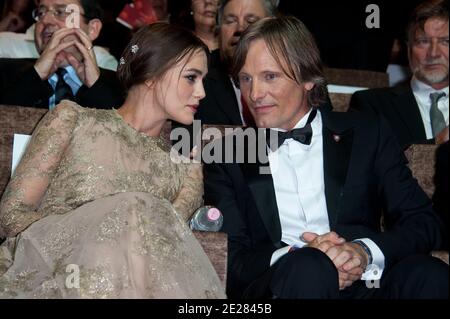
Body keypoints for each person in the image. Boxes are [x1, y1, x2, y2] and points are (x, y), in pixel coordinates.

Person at [203, 16, 448, 299]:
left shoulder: (368, 133)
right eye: (246, 79)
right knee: (310, 266)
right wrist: (297, 254)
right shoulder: (228, 153)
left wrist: (363, 251)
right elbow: (231, 261)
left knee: (429, 274)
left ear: (307, 78)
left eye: (270, 76)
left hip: (365, 283)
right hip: (282, 285)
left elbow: (423, 223)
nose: (255, 94)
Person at [0, 22, 225, 299]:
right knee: (131, 208)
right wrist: (96, 231)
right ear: (152, 75)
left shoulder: (182, 167)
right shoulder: (72, 121)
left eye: (203, 80)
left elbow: (169, 254)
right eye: (191, 77)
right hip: (49, 275)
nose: (201, 92)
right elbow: (11, 216)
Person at [350, 0, 448, 149]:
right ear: (408, 48)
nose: (433, 53)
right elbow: (368, 165)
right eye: (423, 41)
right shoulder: (372, 104)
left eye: (446, 41)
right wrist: (436, 143)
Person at [0, 0, 123, 109]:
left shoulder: (120, 86)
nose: (46, 20)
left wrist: (96, 87)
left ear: (92, 29)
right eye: (41, 13)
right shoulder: (6, 71)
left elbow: (123, 131)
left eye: (61, 12)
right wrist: (34, 77)